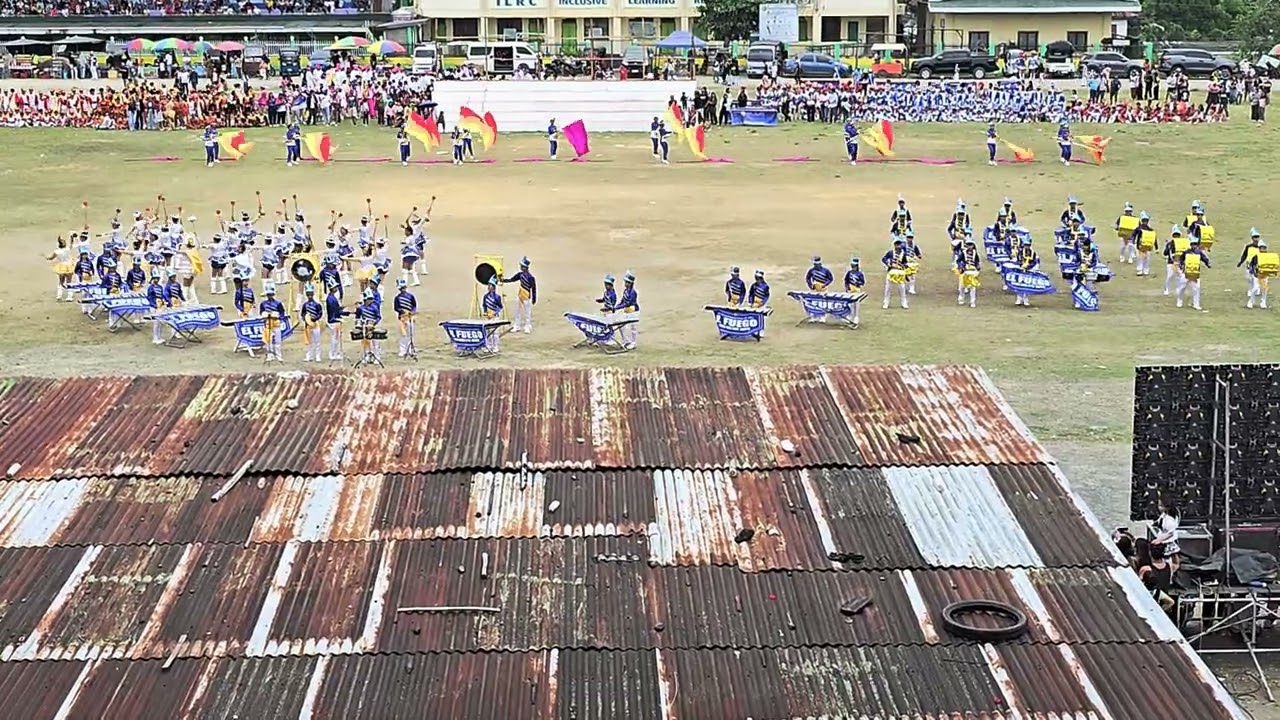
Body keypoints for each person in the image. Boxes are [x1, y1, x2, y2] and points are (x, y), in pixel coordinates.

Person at [503, 256, 537, 333]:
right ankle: (517, 325)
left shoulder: (530, 277)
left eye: (522, 266)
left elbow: (533, 289)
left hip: (526, 296)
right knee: (517, 311)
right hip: (520, 295)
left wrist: (534, 298)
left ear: (525, 267)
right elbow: (512, 279)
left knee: (527, 312)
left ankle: (527, 326)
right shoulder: (520, 275)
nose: (521, 267)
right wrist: (503, 280)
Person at [1176, 236, 1210, 311]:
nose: (1194, 246)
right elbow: (1181, 259)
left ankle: (1196, 304)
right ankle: (1179, 301)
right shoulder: (1186, 252)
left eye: (1195, 244)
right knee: (1182, 287)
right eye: (1192, 244)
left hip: (1195, 273)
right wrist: (1181, 265)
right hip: (1186, 273)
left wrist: (1208, 264)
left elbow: (1205, 259)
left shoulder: (1199, 253)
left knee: (1196, 288)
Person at [259, 281, 286, 362]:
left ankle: (278, 355)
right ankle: (269, 355)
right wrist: (264, 315)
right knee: (268, 341)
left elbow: (282, 313)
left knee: (278, 341)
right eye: (268, 295)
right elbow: (261, 312)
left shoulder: (278, 303)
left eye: (270, 294)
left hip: (276, 324)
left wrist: (277, 316)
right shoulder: (263, 304)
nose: (269, 296)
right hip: (267, 324)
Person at [881, 237, 910, 310]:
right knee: (888, 288)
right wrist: (888, 263)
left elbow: (905, 262)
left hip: (900, 272)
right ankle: (886, 302)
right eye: (896, 244)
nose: (898, 246)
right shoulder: (890, 252)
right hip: (891, 271)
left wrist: (904, 266)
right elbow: (883, 259)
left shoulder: (903, 253)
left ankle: (904, 302)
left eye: (899, 244)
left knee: (902, 288)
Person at [393, 278, 418, 358]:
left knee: (410, 334)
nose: (403, 289)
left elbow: (414, 305)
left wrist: (413, 311)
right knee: (402, 335)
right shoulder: (397, 298)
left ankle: (410, 349)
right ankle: (402, 350)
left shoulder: (411, 296)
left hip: (410, 317)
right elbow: (396, 308)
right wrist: (401, 311)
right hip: (402, 318)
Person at [1013, 235, 1040, 307]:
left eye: (1028, 245)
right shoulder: (1021, 252)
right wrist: (1021, 265)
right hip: (1021, 269)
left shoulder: (1033, 253)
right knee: (1019, 284)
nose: (1027, 247)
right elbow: (1018, 260)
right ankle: (1019, 299)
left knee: (1026, 284)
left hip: (1029, 270)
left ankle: (1025, 299)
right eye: (1025, 245)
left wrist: (1029, 267)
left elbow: (1034, 262)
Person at [1247, 237, 1273, 309]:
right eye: (1262, 248)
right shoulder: (1256, 257)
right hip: (1257, 275)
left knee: (1265, 289)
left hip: (1265, 275)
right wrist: (1253, 273)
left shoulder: (1268, 257)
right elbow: (1251, 265)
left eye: (1264, 248)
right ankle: (1250, 302)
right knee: (1255, 288)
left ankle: (1263, 302)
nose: (1263, 249)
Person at [300, 282, 324, 362]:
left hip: (315, 324)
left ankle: (318, 356)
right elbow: (302, 314)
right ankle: (309, 355)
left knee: (317, 341)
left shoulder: (317, 305)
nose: (309, 295)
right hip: (308, 325)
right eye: (308, 294)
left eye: (310, 294)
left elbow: (320, 313)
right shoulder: (305, 305)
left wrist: (315, 318)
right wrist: (305, 319)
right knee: (309, 342)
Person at [956, 235, 981, 307]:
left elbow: (977, 261)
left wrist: (978, 266)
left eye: (971, 245)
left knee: (973, 287)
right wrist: (961, 267)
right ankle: (961, 299)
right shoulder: (963, 252)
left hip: (973, 271)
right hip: (965, 271)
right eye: (968, 245)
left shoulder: (975, 253)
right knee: (962, 287)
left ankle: (972, 301)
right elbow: (958, 261)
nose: (970, 246)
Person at [616, 271, 640, 349]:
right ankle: (626, 340)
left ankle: (633, 342)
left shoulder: (633, 292)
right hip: (627, 311)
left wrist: (618, 307)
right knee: (622, 325)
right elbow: (622, 301)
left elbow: (628, 303)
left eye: (627, 282)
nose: (625, 284)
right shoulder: (625, 291)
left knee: (633, 327)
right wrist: (616, 307)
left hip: (634, 311)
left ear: (630, 283)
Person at [1130, 212, 1157, 277]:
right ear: (1142, 221)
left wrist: (1156, 247)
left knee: (1147, 258)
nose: (1145, 222)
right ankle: (1139, 270)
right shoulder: (1138, 228)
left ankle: (1146, 270)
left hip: (1148, 247)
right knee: (1140, 258)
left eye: (1146, 221)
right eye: (1144, 220)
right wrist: (1133, 241)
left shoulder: (1150, 230)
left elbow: (1154, 238)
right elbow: (1133, 234)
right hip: (1140, 246)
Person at [325, 283, 348, 361]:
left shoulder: (333, 298)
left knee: (336, 338)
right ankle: (333, 353)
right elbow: (335, 311)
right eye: (335, 287)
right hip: (333, 320)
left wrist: (342, 309)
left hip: (335, 319)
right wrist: (345, 313)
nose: (337, 288)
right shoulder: (331, 299)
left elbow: (337, 309)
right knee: (334, 338)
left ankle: (335, 353)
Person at [1162, 226, 1187, 296]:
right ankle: (1167, 289)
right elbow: (1165, 253)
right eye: (1175, 235)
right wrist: (1168, 247)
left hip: (1180, 263)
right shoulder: (1170, 243)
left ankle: (1178, 289)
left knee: (1180, 276)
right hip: (1171, 263)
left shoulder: (1183, 244)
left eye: (1177, 235)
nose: (1176, 236)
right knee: (1170, 276)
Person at [482, 275, 503, 353]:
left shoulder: (497, 297)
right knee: (487, 332)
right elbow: (484, 305)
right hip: (488, 316)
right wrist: (485, 312)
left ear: (494, 287)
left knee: (495, 332)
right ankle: (488, 345)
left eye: (491, 285)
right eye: (488, 285)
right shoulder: (485, 296)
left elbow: (500, 306)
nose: (489, 286)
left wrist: (495, 312)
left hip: (495, 317)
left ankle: (495, 346)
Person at [146, 268, 167, 345]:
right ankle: (155, 338)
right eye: (155, 278)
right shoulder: (150, 287)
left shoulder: (160, 287)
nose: (157, 280)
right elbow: (149, 297)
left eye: (158, 278)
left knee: (160, 322)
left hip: (160, 306)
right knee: (156, 323)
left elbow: (162, 296)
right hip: (153, 306)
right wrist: (154, 304)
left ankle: (159, 336)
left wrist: (164, 302)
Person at [843, 258, 865, 327]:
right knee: (850, 305)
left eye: (854, 266)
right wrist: (847, 288)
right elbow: (846, 280)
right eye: (852, 266)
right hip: (850, 290)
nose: (853, 267)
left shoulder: (860, 274)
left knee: (856, 305)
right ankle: (850, 317)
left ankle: (856, 317)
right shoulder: (849, 273)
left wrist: (858, 283)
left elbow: (863, 282)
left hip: (857, 290)